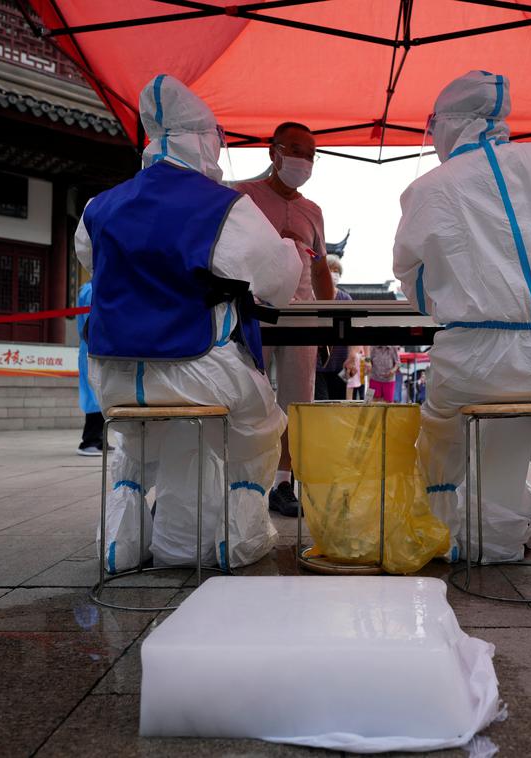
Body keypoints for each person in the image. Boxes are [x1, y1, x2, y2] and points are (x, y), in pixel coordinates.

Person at [76, 75, 301, 572]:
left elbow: (95, 265)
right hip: (194, 364)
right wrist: (287, 250)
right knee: (259, 425)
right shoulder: (223, 206)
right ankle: (235, 539)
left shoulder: (99, 207)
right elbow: (279, 282)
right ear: (204, 140)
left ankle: (120, 544)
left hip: (112, 374)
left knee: (132, 446)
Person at [394, 70, 531, 563]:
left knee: (443, 431)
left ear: (444, 123)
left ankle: (460, 530)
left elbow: (416, 279)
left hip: (482, 361)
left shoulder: (431, 187)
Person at [236, 122, 336, 517]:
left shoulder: (313, 210)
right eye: (296, 150)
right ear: (273, 152)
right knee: (246, 396)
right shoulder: (243, 196)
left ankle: (282, 484)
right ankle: (242, 478)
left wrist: (328, 321)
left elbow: (322, 270)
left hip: (302, 315)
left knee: (297, 401)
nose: (303, 160)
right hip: (253, 312)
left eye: (311, 154)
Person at [314, 255, 361, 401]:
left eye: (336, 271)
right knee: (320, 404)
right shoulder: (312, 297)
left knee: (337, 404)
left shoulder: (345, 299)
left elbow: (352, 331)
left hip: (340, 364)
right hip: (315, 364)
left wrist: (352, 356)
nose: (333, 274)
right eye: (330, 269)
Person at [75, 281, 103, 456]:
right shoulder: (91, 289)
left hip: (97, 349)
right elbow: (92, 322)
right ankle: (90, 441)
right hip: (92, 349)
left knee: (100, 394)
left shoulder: (95, 286)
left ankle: (99, 440)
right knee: (94, 396)